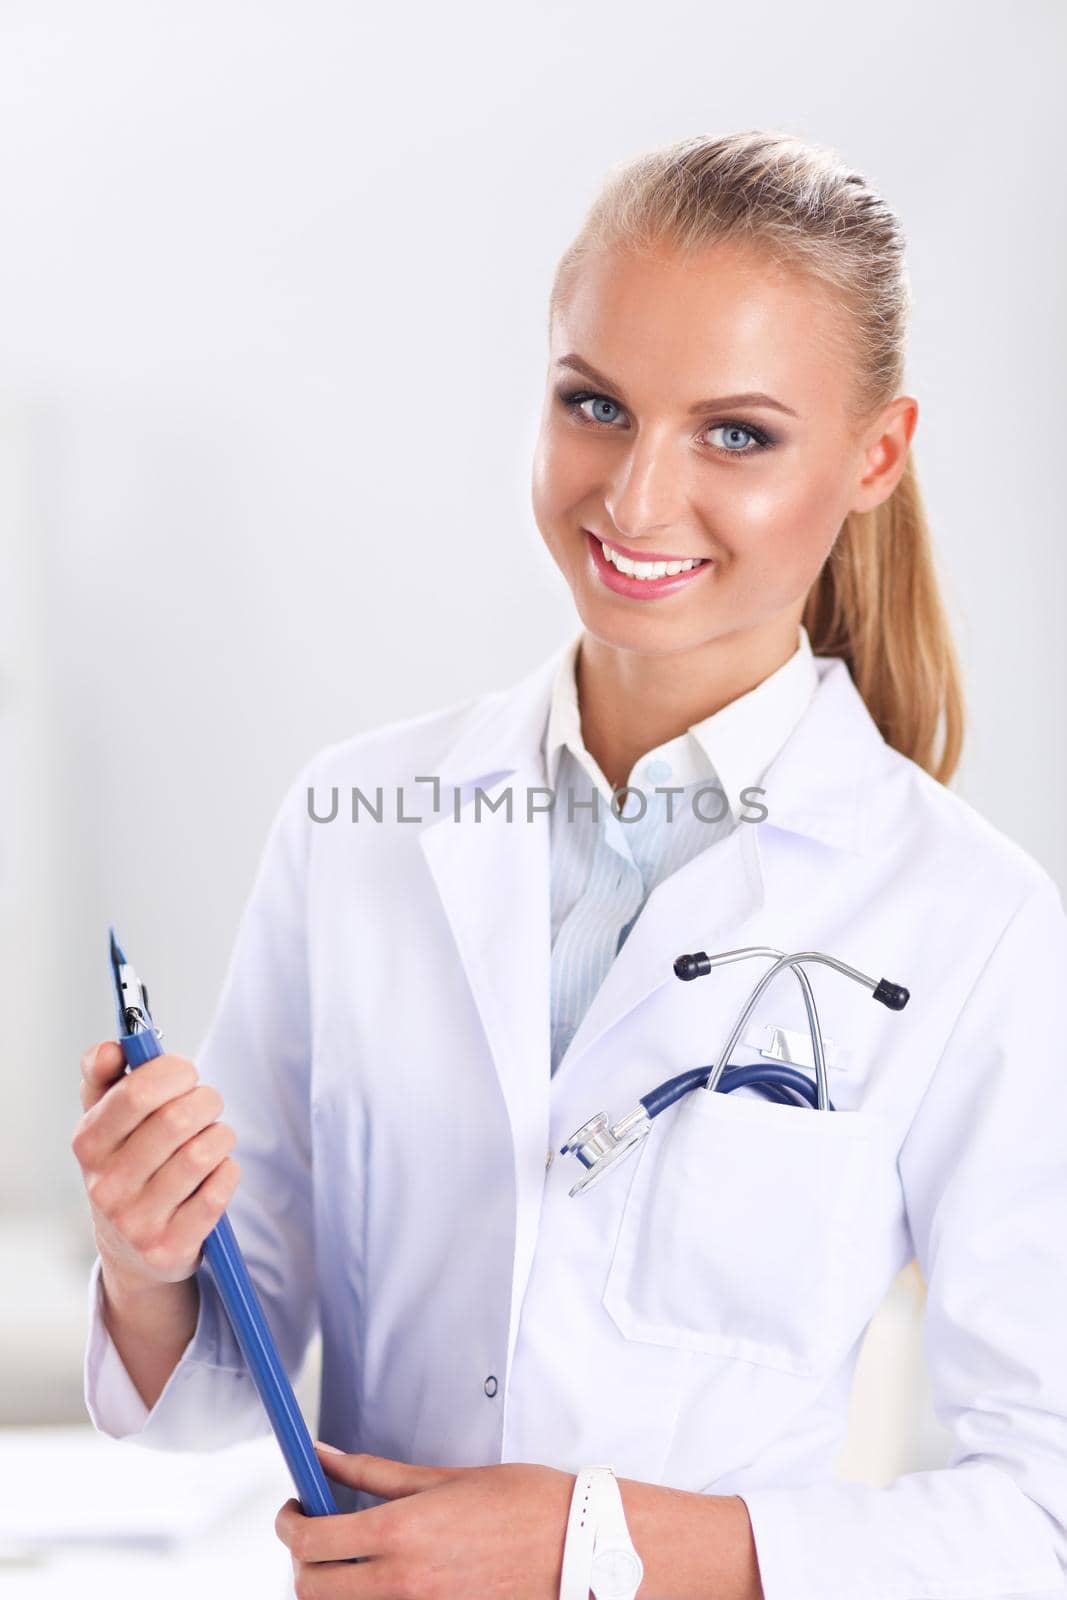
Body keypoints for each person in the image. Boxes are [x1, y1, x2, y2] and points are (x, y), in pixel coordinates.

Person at [72, 129, 1067, 1599]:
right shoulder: (360, 822)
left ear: (876, 455)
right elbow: (229, 1374)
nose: (638, 499)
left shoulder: (965, 918)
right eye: (595, 405)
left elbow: (1039, 1514)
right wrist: (151, 1261)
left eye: (737, 434)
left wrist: (591, 1545)